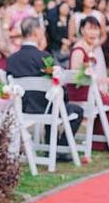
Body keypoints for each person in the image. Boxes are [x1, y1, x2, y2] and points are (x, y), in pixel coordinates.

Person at [7, 17, 82, 156]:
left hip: (22, 108)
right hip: (46, 109)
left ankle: (52, 147)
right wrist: (65, 98)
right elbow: (57, 84)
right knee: (76, 110)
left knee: (52, 104)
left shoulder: (11, 59)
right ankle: (61, 148)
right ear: (36, 32)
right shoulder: (44, 57)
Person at [68, 17, 109, 151]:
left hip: (90, 91)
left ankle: (104, 142)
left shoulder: (88, 47)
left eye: (96, 29)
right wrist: (100, 81)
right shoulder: (79, 49)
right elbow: (76, 76)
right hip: (81, 94)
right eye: (90, 28)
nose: (93, 33)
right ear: (82, 30)